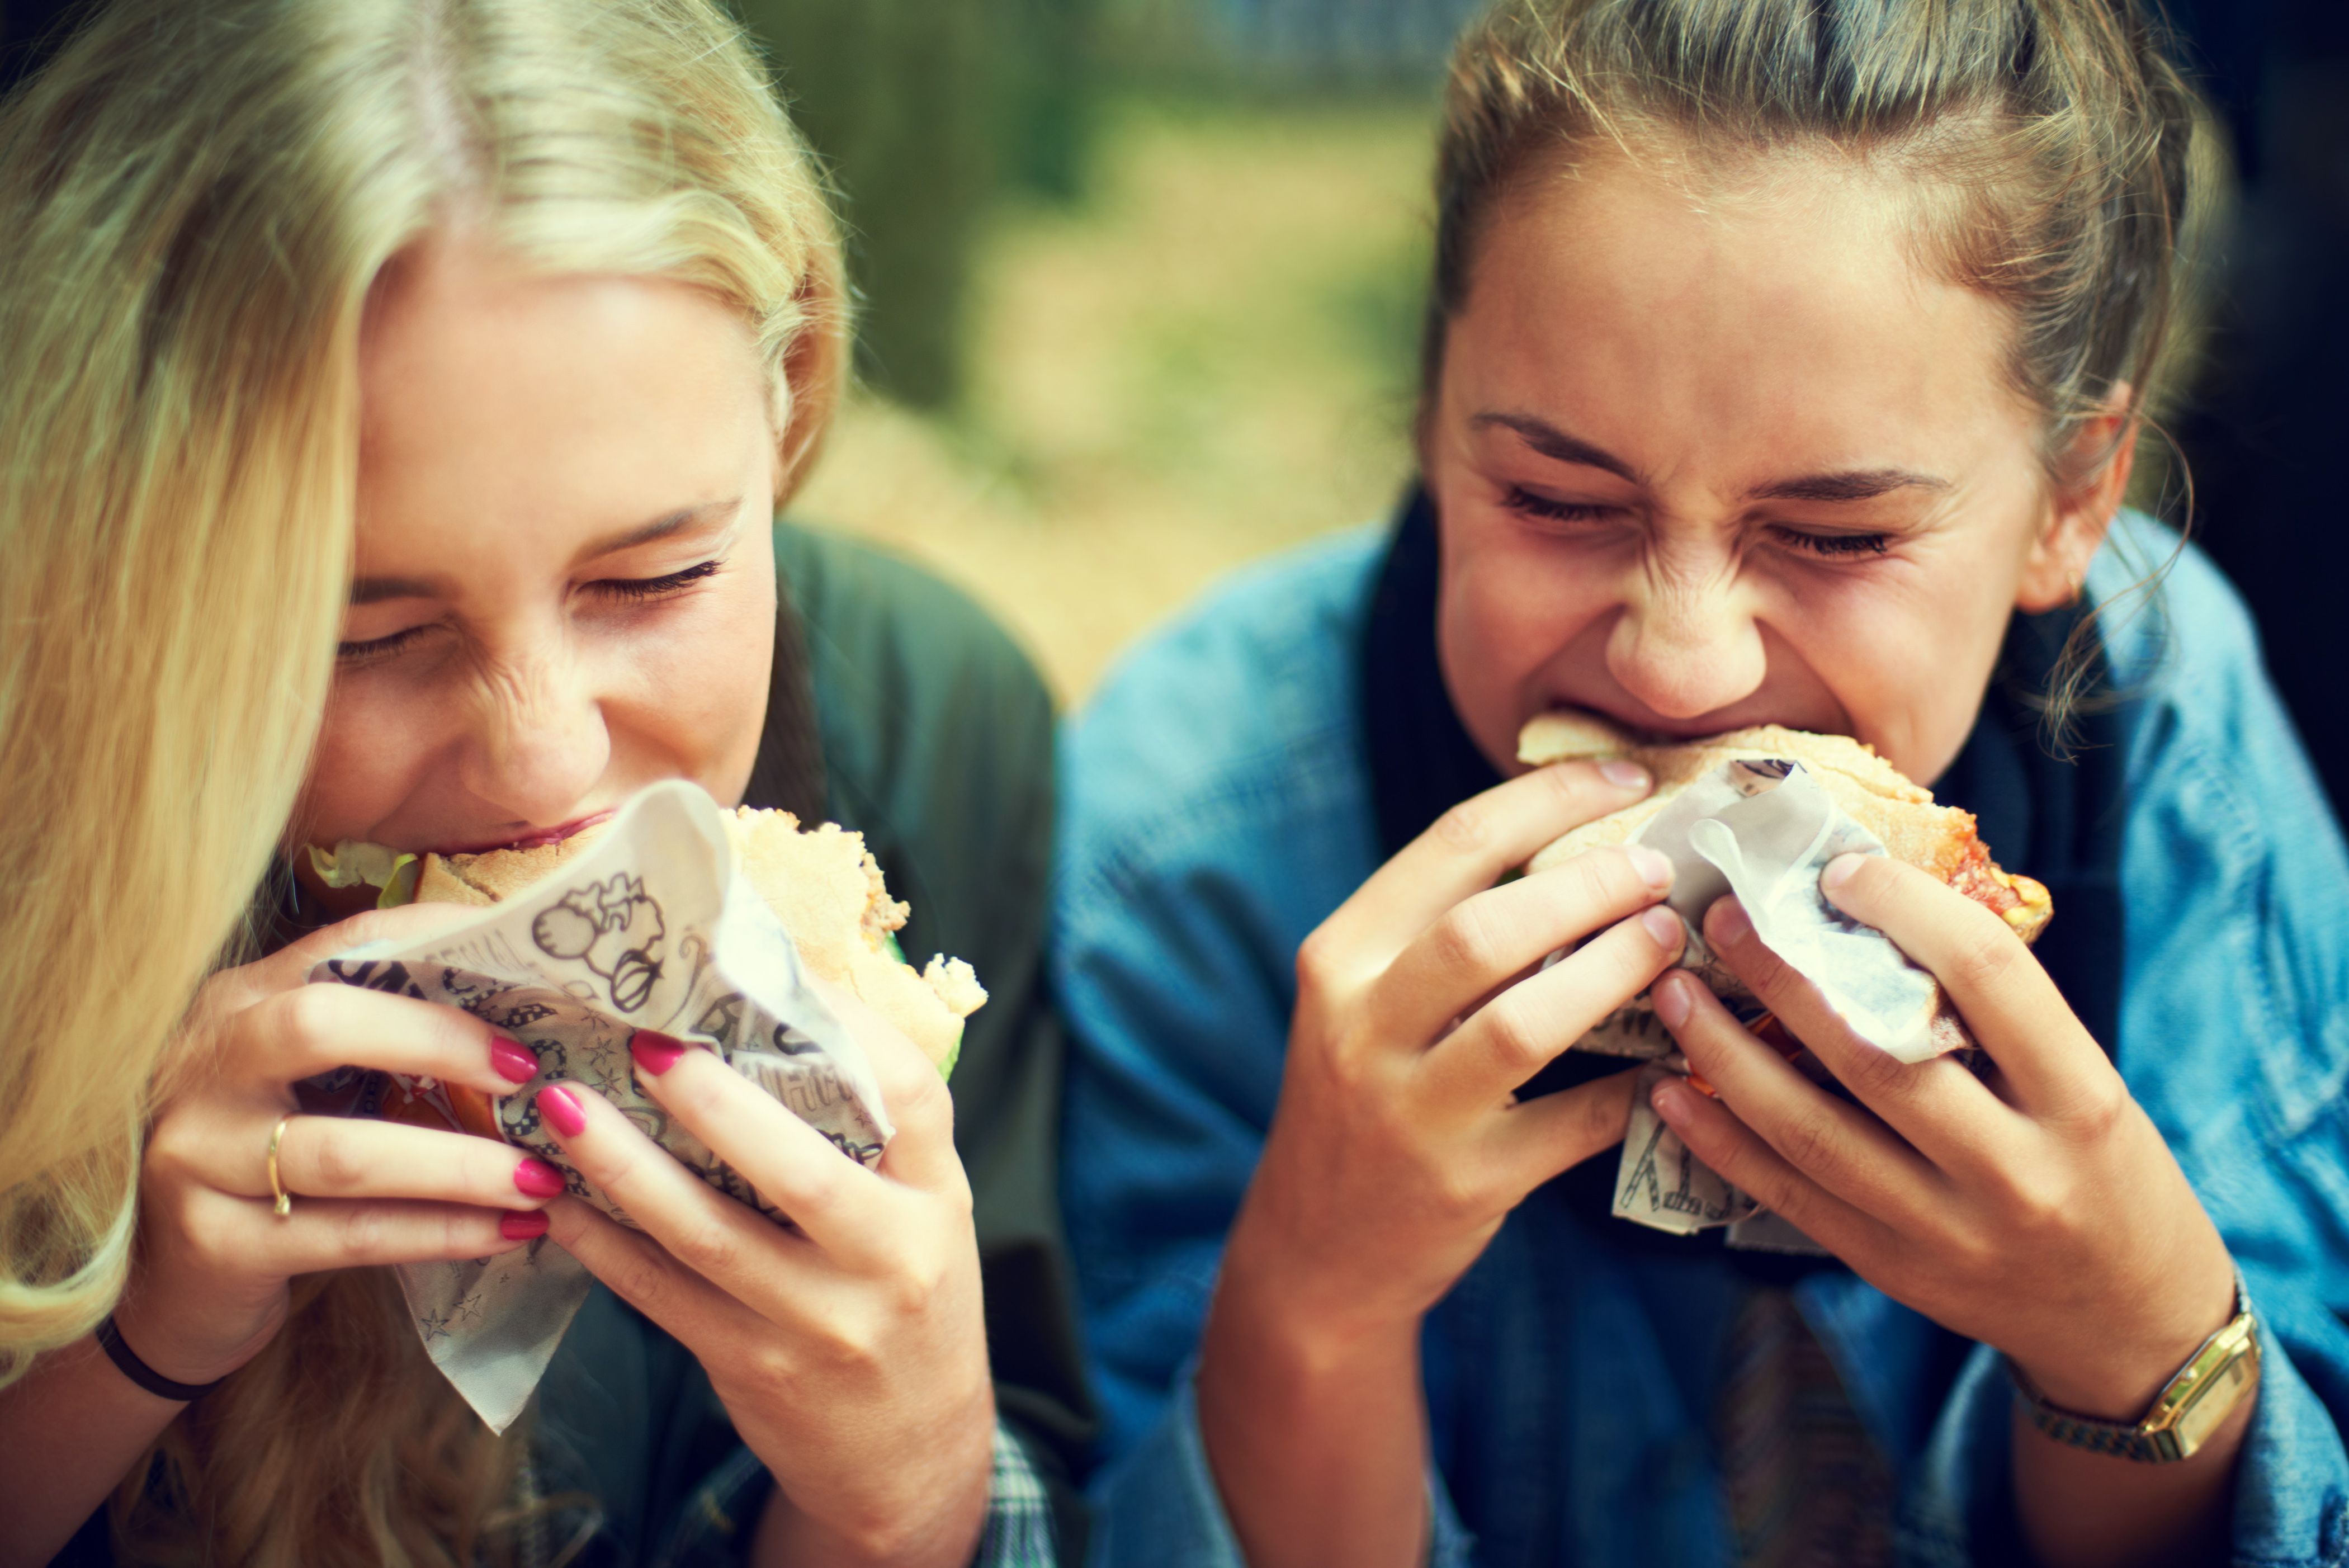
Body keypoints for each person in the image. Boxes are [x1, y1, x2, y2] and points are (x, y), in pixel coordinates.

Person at [1054, 2, 2349, 1566]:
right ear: (1427, 410)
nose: (1678, 667)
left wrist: (2135, 1339)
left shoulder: (2165, 747)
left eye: (1834, 534)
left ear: (2069, 498)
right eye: (1553, 496)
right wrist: (1314, 1296)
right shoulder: (1192, 838)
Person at [0, 1, 1088, 1564]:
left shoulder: (926, 728)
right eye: (364, 633)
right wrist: (124, 1344)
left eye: (653, 578)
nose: (544, 757)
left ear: (785, 404)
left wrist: (907, 1486)